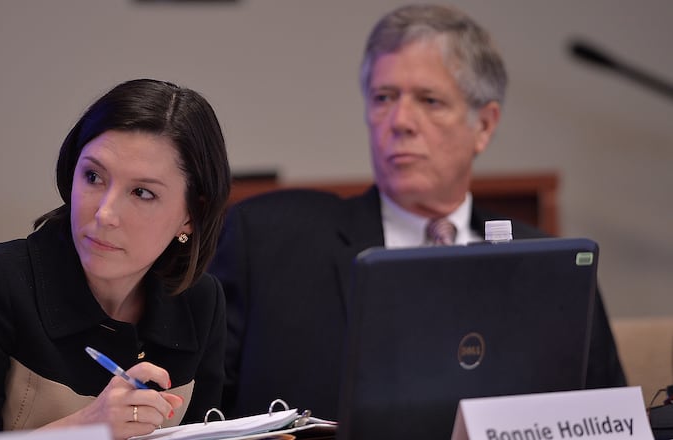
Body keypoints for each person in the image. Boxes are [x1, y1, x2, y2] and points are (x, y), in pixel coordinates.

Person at [209, 4, 625, 420]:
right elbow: (201, 416)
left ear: (484, 125)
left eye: (430, 100)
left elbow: (610, 422)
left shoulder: (558, 269)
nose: (401, 121)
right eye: (383, 97)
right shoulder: (269, 242)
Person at [0, 78, 231, 440]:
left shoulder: (200, 301)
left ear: (190, 214)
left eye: (142, 192)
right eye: (93, 176)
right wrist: (86, 428)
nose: (105, 213)